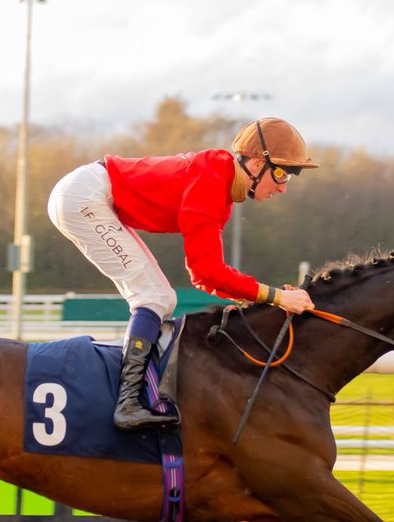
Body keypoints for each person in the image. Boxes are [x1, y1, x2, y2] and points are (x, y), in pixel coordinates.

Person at [47, 117, 319, 430]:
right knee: (154, 296)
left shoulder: (220, 183)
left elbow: (206, 274)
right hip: (83, 197)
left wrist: (270, 297)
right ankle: (128, 403)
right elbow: (206, 272)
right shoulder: (212, 181)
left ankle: (140, 395)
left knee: (160, 297)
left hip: (89, 193)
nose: (283, 188)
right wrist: (278, 297)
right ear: (257, 164)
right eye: (282, 173)